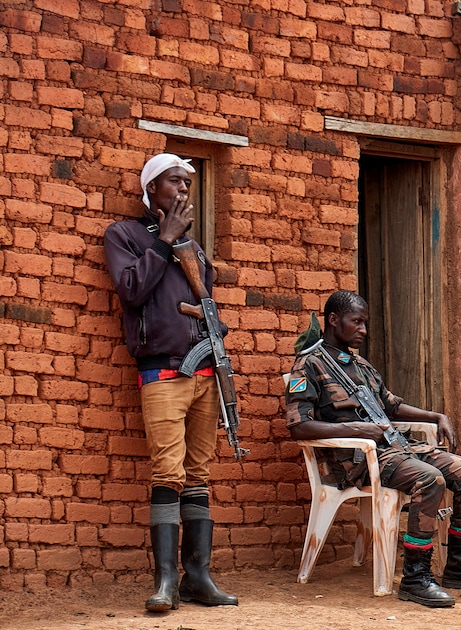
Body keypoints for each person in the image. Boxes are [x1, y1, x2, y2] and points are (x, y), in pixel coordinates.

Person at [285, 291, 461, 608]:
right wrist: (357, 430)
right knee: (430, 480)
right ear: (334, 320)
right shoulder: (308, 365)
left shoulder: (361, 365)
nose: (363, 329)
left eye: (365, 322)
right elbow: (299, 426)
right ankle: (416, 578)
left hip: (395, 448)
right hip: (357, 461)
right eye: (357, 322)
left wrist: (436, 416)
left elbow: (392, 406)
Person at [103, 153, 238, 612]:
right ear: (151, 189)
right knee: (169, 473)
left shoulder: (195, 249)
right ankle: (165, 582)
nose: (183, 191)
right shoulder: (124, 235)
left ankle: (197, 576)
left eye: (187, 184)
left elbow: (207, 307)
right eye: (174, 182)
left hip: (203, 374)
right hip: (161, 373)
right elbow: (132, 290)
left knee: (198, 476)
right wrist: (163, 241)